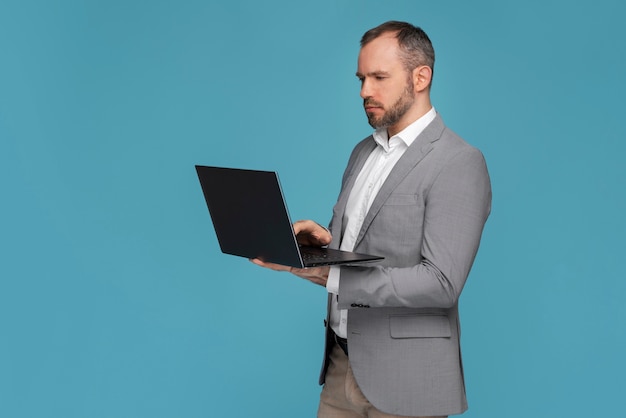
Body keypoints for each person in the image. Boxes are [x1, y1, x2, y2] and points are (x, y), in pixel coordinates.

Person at [252, 21, 491, 418]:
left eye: (379, 77)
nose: (365, 91)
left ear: (421, 77)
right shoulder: (363, 151)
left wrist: (331, 277)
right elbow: (373, 248)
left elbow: (441, 283)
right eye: (362, 78)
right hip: (340, 366)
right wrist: (324, 246)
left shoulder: (459, 162)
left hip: (407, 382)